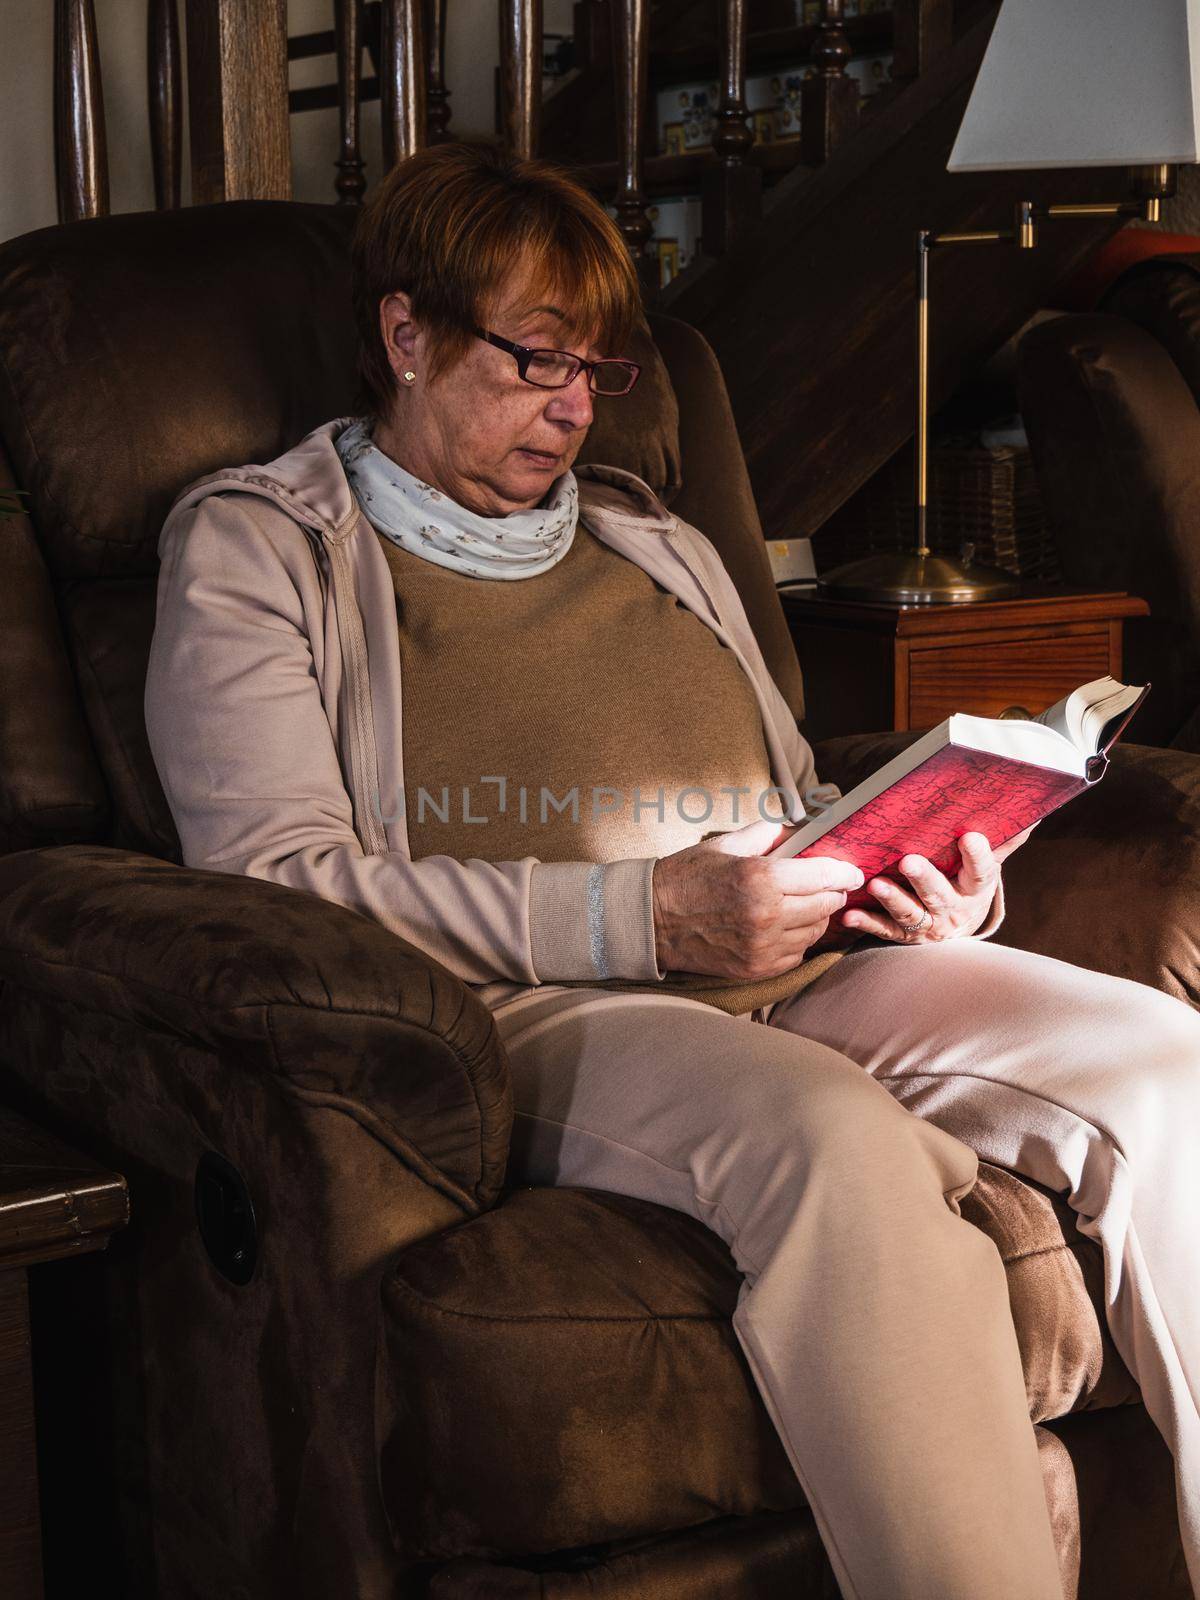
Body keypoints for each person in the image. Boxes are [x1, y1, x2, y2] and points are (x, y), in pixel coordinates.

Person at [144, 141, 1200, 1600]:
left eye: (598, 371)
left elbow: (789, 791)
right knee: (834, 1148)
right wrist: (647, 914)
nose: (575, 408)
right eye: (534, 361)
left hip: (820, 962)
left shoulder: (659, 541)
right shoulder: (258, 548)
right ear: (404, 335)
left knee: (1166, 1058)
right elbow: (276, 877)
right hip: (537, 1001)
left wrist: (930, 876)